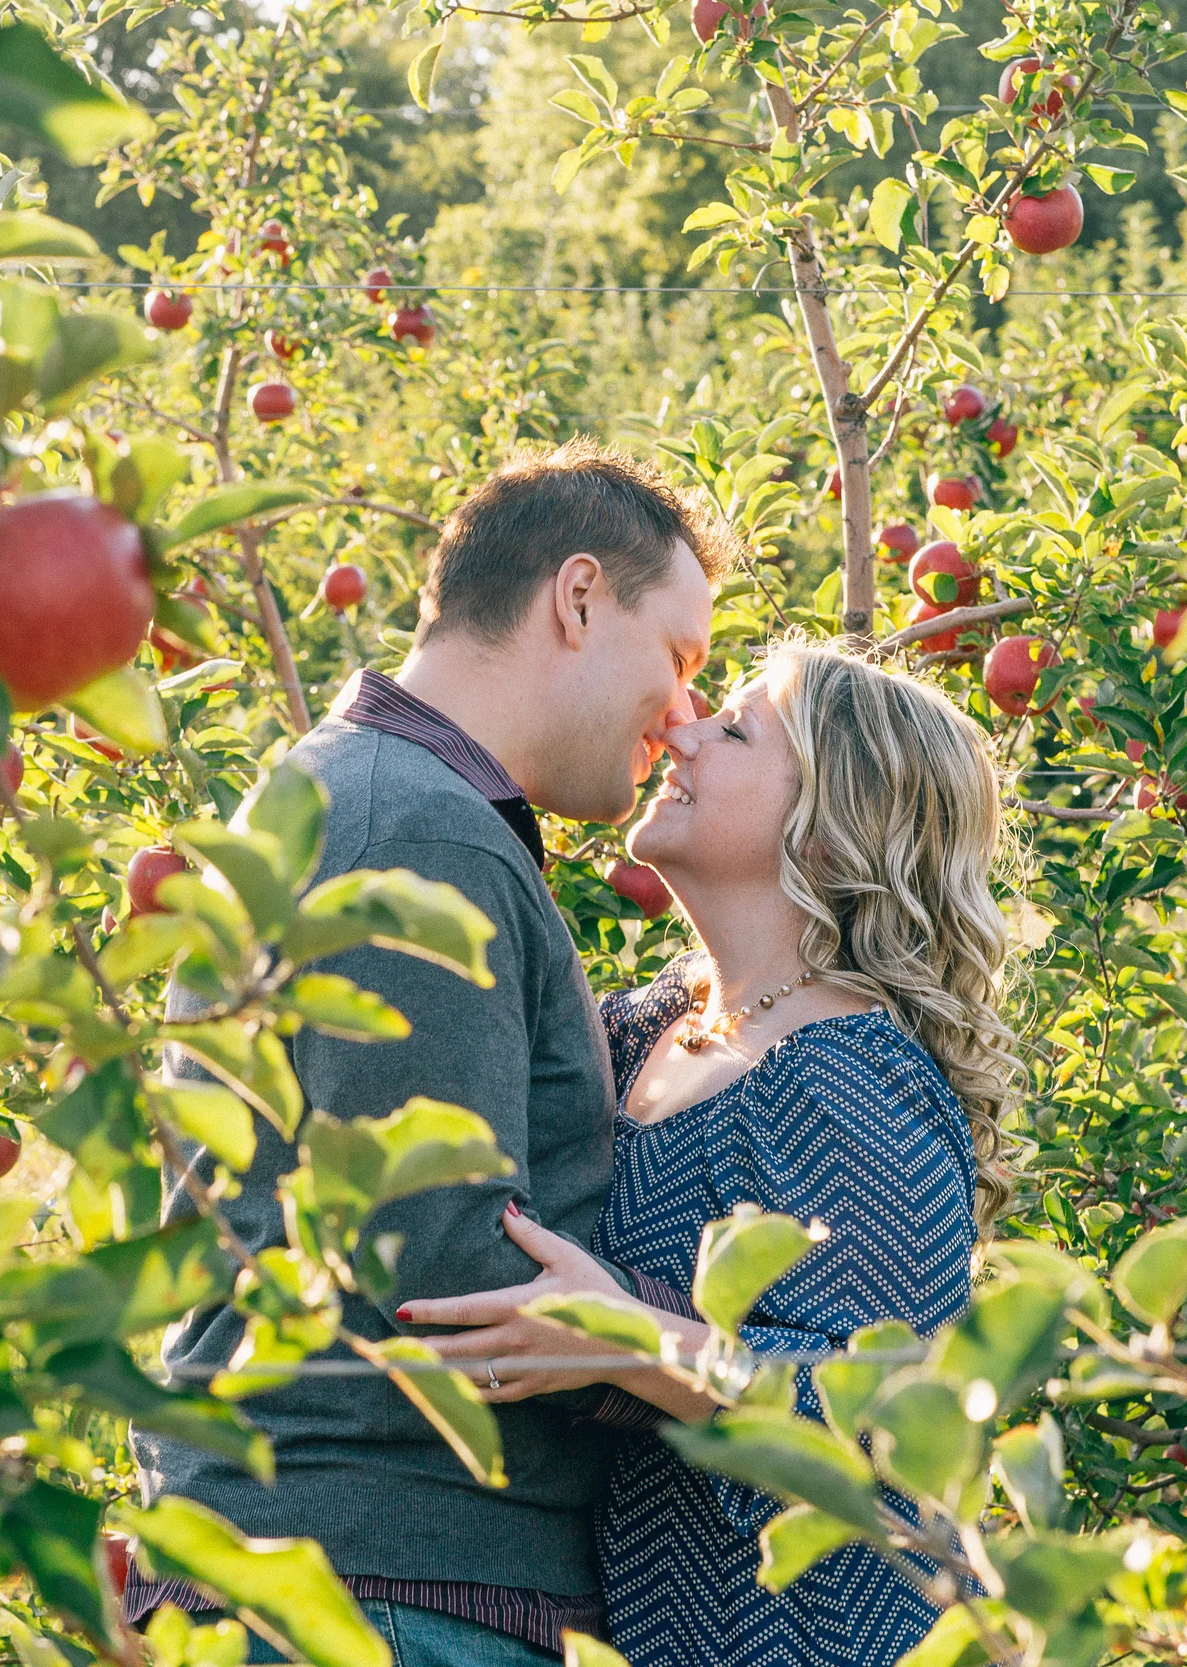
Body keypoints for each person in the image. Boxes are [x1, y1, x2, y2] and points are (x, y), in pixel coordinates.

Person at [130, 441, 728, 1666]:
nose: (681, 715)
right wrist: (715, 1364)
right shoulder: (415, 830)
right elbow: (452, 1271)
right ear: (576, 599)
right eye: (677, 657)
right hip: (391, 1589)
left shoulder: (369, 797)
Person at [397, 641, 1020, 1667]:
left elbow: (901, 1409)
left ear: (822, 832)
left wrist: (634, 1343)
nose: (677, 731)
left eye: (732, 730)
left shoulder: (844, 1071)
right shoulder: (652, 1023)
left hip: (813, 1632)